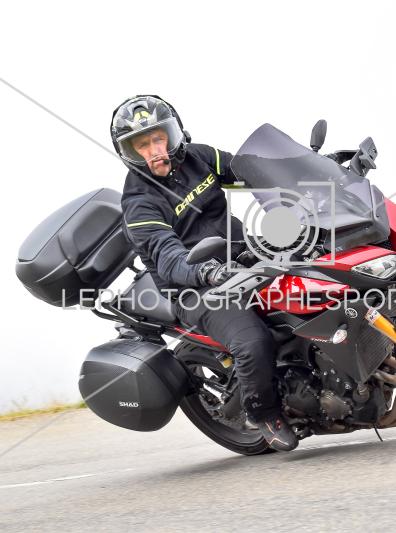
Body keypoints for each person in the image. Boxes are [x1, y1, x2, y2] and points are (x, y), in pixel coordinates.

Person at [110, 95, 298, 451]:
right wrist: (207, 272)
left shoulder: (199, 157)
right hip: (194, 287)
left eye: (158, 138)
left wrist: (310, 171)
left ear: (173, 134)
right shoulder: (139, 203)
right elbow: (170, 260)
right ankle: (264, 414)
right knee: (252, 341)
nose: (154, 151)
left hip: (240, 255)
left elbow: (250, 171)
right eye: (142, 145)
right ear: (129, 153)